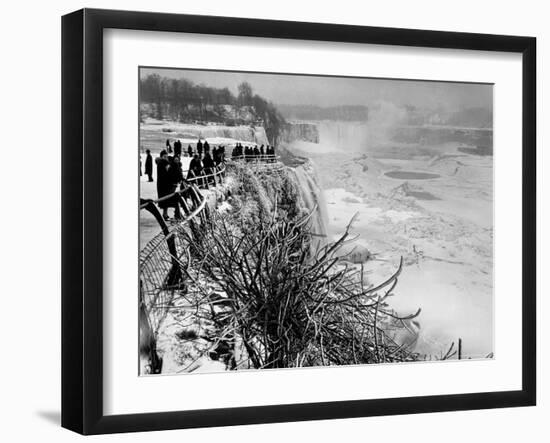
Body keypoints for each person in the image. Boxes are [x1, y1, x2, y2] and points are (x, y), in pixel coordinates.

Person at [155, 150, 172, 219]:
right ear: (161, 156)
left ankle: (165, 214)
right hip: (164, 183)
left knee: (165, 199)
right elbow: (168, 172)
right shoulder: (164, 162)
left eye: (166, 156)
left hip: (161, 183)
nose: (166, 157)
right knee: (166, 199)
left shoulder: (160, 162)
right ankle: (165, 215)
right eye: (164, 156)